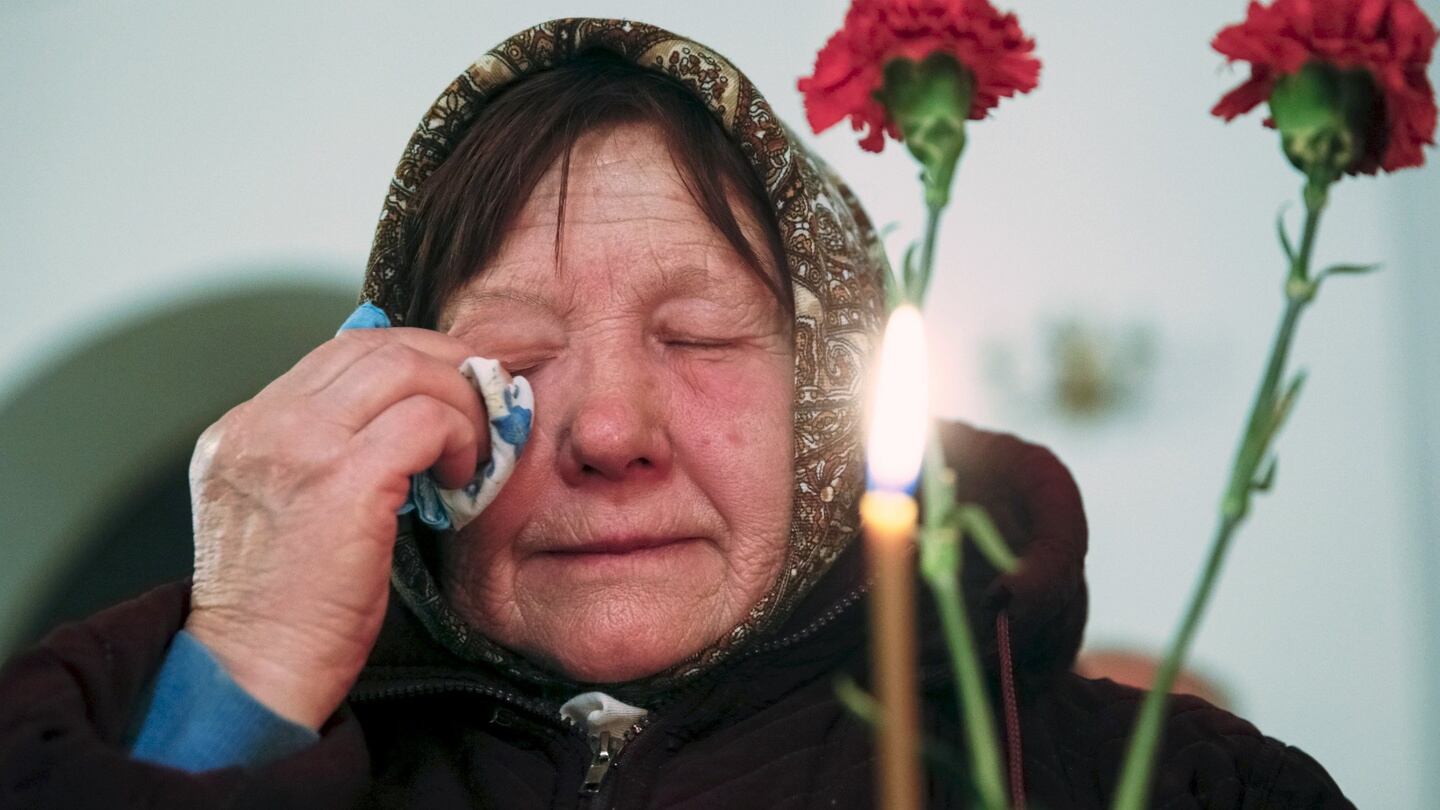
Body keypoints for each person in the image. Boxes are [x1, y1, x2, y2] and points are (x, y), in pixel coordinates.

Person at [0, 18, 1352, 809]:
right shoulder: (85, 747)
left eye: (698, 336)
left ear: (829, 406)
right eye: (514, 353)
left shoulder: (1168, 787)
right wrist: (239, 683)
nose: (608, 431)